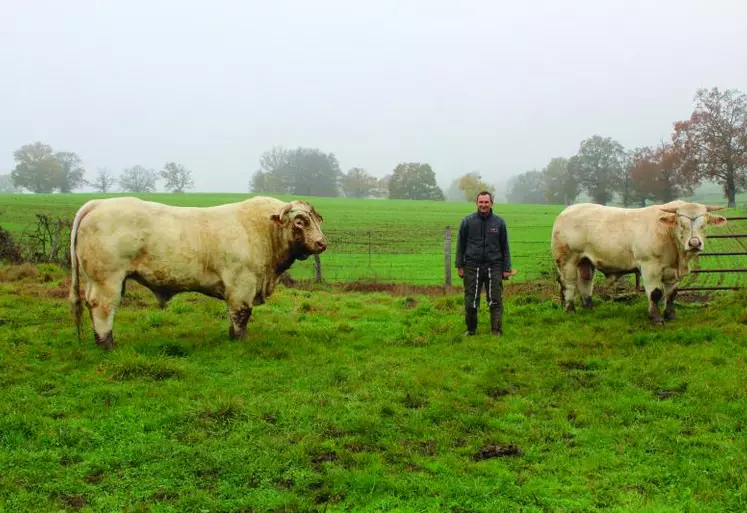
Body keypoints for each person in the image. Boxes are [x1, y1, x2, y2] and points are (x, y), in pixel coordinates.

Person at [455, 191, 512, 336]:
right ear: (476, 203)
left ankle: (496, 330)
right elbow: (460, 245)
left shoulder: (499, 223)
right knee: (471, 301)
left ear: (492, 203)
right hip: (472, 266)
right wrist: (459, 265)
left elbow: (505, 246)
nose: (483, 205)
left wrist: (507, 268)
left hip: (494, 266)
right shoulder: (467, 221)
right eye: (481, 202)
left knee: (495, 300)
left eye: (486, 202)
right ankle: (471, 329)